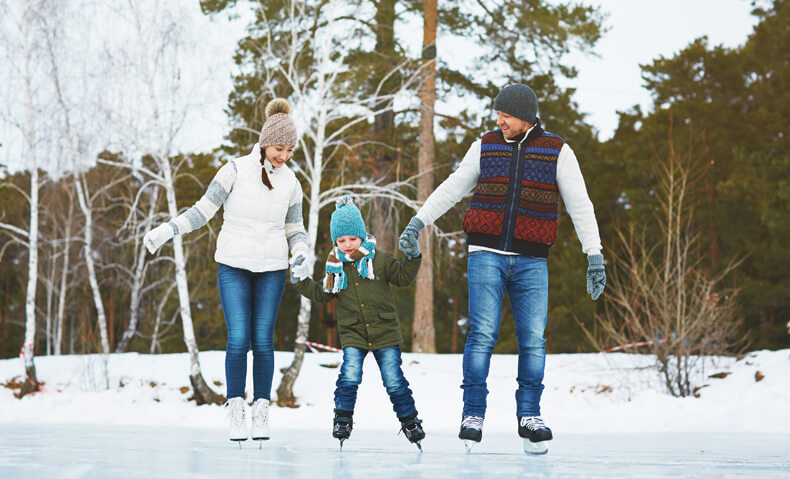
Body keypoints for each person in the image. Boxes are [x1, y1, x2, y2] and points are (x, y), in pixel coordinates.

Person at [397, 83, 606, 453]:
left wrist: (594, 255)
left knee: (533, 339)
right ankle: (473, 413)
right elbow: (452, 187)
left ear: (524, 116)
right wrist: (418, 222)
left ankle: (530, 415)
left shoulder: (557, 151)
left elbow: (581, 204)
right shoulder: (486, 144)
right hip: (485, 253)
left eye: (505, 115)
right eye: (497, 114)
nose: (499, 121)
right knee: (481, 335)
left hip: (532, 259)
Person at [143, 98, 310, 443]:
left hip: (272, 269)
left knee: (263, 340)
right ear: (265, 142)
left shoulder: (292, 182)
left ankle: (261, 411)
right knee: (238, 339)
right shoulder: (234, 170)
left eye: (290, 149)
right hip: (233, 265)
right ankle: (236, 410)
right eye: (280, 148)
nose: (285, 155)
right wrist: (167, 230)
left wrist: (302, 252)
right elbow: (203, 211)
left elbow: (295, 228)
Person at [290, 196, 426, 450]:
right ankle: (342, 419)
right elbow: (322, 294)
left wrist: (412, 256)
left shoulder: (381, 260)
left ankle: (409, 421)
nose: (347, 245)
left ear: (362, 235)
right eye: (341, 241)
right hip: (353, 333)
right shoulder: (335, 268)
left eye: (352, 238)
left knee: (393, 379)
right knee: (349, 374)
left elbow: (404, 277)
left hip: (385, 332)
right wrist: (300, 280)